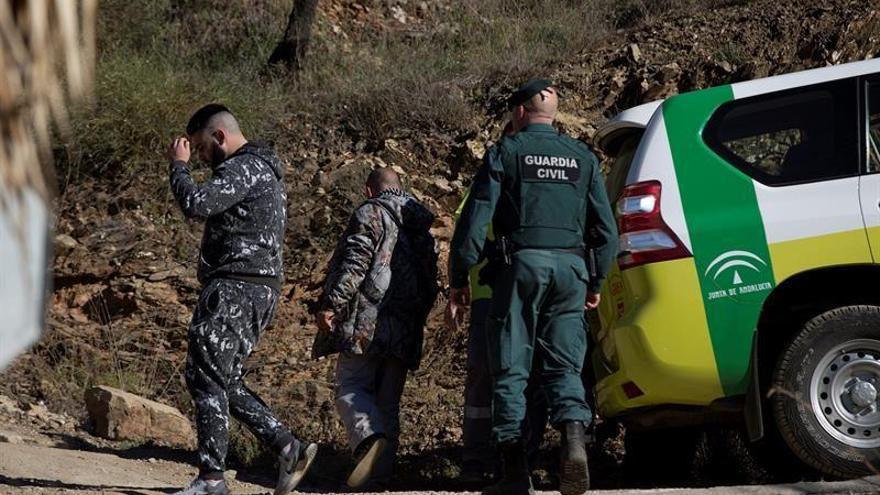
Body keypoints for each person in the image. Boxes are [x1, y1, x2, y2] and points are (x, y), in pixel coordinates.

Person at [447, 80, 618, 495]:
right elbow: (607, 232)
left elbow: (473, 222)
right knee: (564, 366)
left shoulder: (506, 152)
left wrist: (458, 280)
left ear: (519, 112)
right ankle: (573, 443)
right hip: (572, 272)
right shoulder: (582, 157)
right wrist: (595, 280)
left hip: (521, 270)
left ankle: (513, 473)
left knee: (511, 368)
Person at [167, 104, 317, 495]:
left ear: (219, 136)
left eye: (200, 148)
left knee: (206, 376)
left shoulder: (243, 168)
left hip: (237, 286)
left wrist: (178, 166)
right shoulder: (259, 170)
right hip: (252, 287)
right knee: (222, 378)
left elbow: (196, 203)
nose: (199, 156)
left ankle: (211, 478)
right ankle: (288, 446)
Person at [314, 167, 438, 489]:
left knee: (350, 386)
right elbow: (430, 284)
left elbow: (355, 264)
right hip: (406, 327)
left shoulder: (370, 212)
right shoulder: (421, 226)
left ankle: (368, 439)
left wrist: (332, 304)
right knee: (388, 402)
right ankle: (379, 477)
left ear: (370, 191)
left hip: (366, 321)